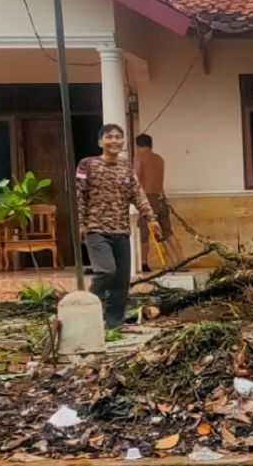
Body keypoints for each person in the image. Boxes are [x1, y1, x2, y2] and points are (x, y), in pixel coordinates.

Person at [76, 124, 160, 329]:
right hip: (96, 229)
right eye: (109, 137)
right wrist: (80, 223)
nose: (114, 141)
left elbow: (138, 194)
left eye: (118, 137)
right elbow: (79, 196)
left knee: (121, 281)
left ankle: (113, 323)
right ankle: (90, 307)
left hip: (121, 230)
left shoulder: (126, 167)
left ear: (123, 142)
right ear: (100, 142)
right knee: (106, 271)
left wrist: (151, 218)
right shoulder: (87, 165)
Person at [133, 133, 179, 271]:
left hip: (147, 198)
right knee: (167, 232)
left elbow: (136, 179)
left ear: (137, 146)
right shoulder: (160, 159)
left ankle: (144, 263)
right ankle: (179, 261)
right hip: (161, 198)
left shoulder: (138, 158)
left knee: (143, 232)